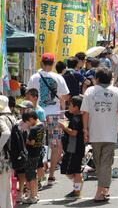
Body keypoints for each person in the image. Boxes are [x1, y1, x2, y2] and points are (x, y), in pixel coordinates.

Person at [81, 67, 118, 202]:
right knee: (103, 163)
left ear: (97, 79)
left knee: (101, 163)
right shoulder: (116, 91)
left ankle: (100, 192)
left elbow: (85, 113)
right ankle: (104, 190)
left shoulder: (90, 91)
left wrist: (85, 130)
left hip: (95, 132)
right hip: (110, 132)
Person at [27, 53, 69, 185]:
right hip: (54, 115)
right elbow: (66, 96)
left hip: (37, 116)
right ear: (53, 63)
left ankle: (36, 175)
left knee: (34, 144)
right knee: (55, 145)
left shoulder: (34, 77)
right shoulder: (58, 77)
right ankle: (51, 175)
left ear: (41, 62)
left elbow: (28, 96)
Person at [59, 96, 85, 199]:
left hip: (73, 148)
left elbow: (73, 133)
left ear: (76, 107)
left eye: (70, 104)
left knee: (70, 170)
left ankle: (77, 188)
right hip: (76, 147)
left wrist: (64, 127)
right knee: (73, 170)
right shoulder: (78, 117)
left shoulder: (76, 119)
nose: (68, 106)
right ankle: (77, 187)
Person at [22, 110, 45, 204]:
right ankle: (35, 194)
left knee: (30, 176)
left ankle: (32, 197)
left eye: (27, 122)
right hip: (37, 153)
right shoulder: (41, 125)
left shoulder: (33, 129)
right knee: (34, 175)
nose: (27, 124)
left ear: (31, 119)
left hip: (31, 154)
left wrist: (24, 139)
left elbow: (32, 142)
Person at [0, 95, 16, 208]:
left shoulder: (1, 118)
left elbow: (6, 133)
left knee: (1, 189)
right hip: (10, 156)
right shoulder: (12, 117)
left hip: (2, 157)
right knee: (7, 187)